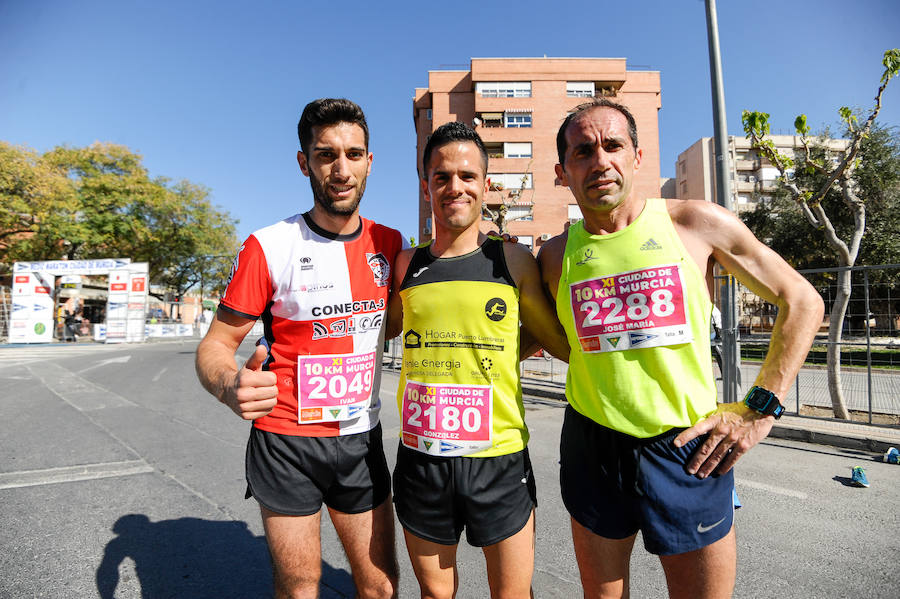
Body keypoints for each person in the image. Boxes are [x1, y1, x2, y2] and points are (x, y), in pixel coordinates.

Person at [538, 99, 823, 598]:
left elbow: (801, 300)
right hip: (592, 446)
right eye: (583, 152)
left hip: (687, 449)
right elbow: (570, 344)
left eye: (613, 146)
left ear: (638, 156)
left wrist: (759, 409)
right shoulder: (555, 256)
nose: (600, 161)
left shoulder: (695, 222)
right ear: (563, 171)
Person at [196, 98, 403, 599]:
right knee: (299, 585)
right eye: (325, 154)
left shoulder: (391, 244)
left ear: (370, 162)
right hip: (286, 442)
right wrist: (229, 385)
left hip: (360, 439)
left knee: (380, 586)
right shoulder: (268, 245)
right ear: (303, 161)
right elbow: (216, 345)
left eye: (354, 154)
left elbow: (393, 327)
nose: (341, 169)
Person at [387, 121, 570, 599]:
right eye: (441, 177)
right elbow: (364, 336)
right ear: (427, 187)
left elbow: (559, 343)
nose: (455, 187)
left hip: (499, 460)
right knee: (435, 594)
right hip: (422, 458)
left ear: (485, 184)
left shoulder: (513, 262)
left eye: (467, 176)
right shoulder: (407, 266)